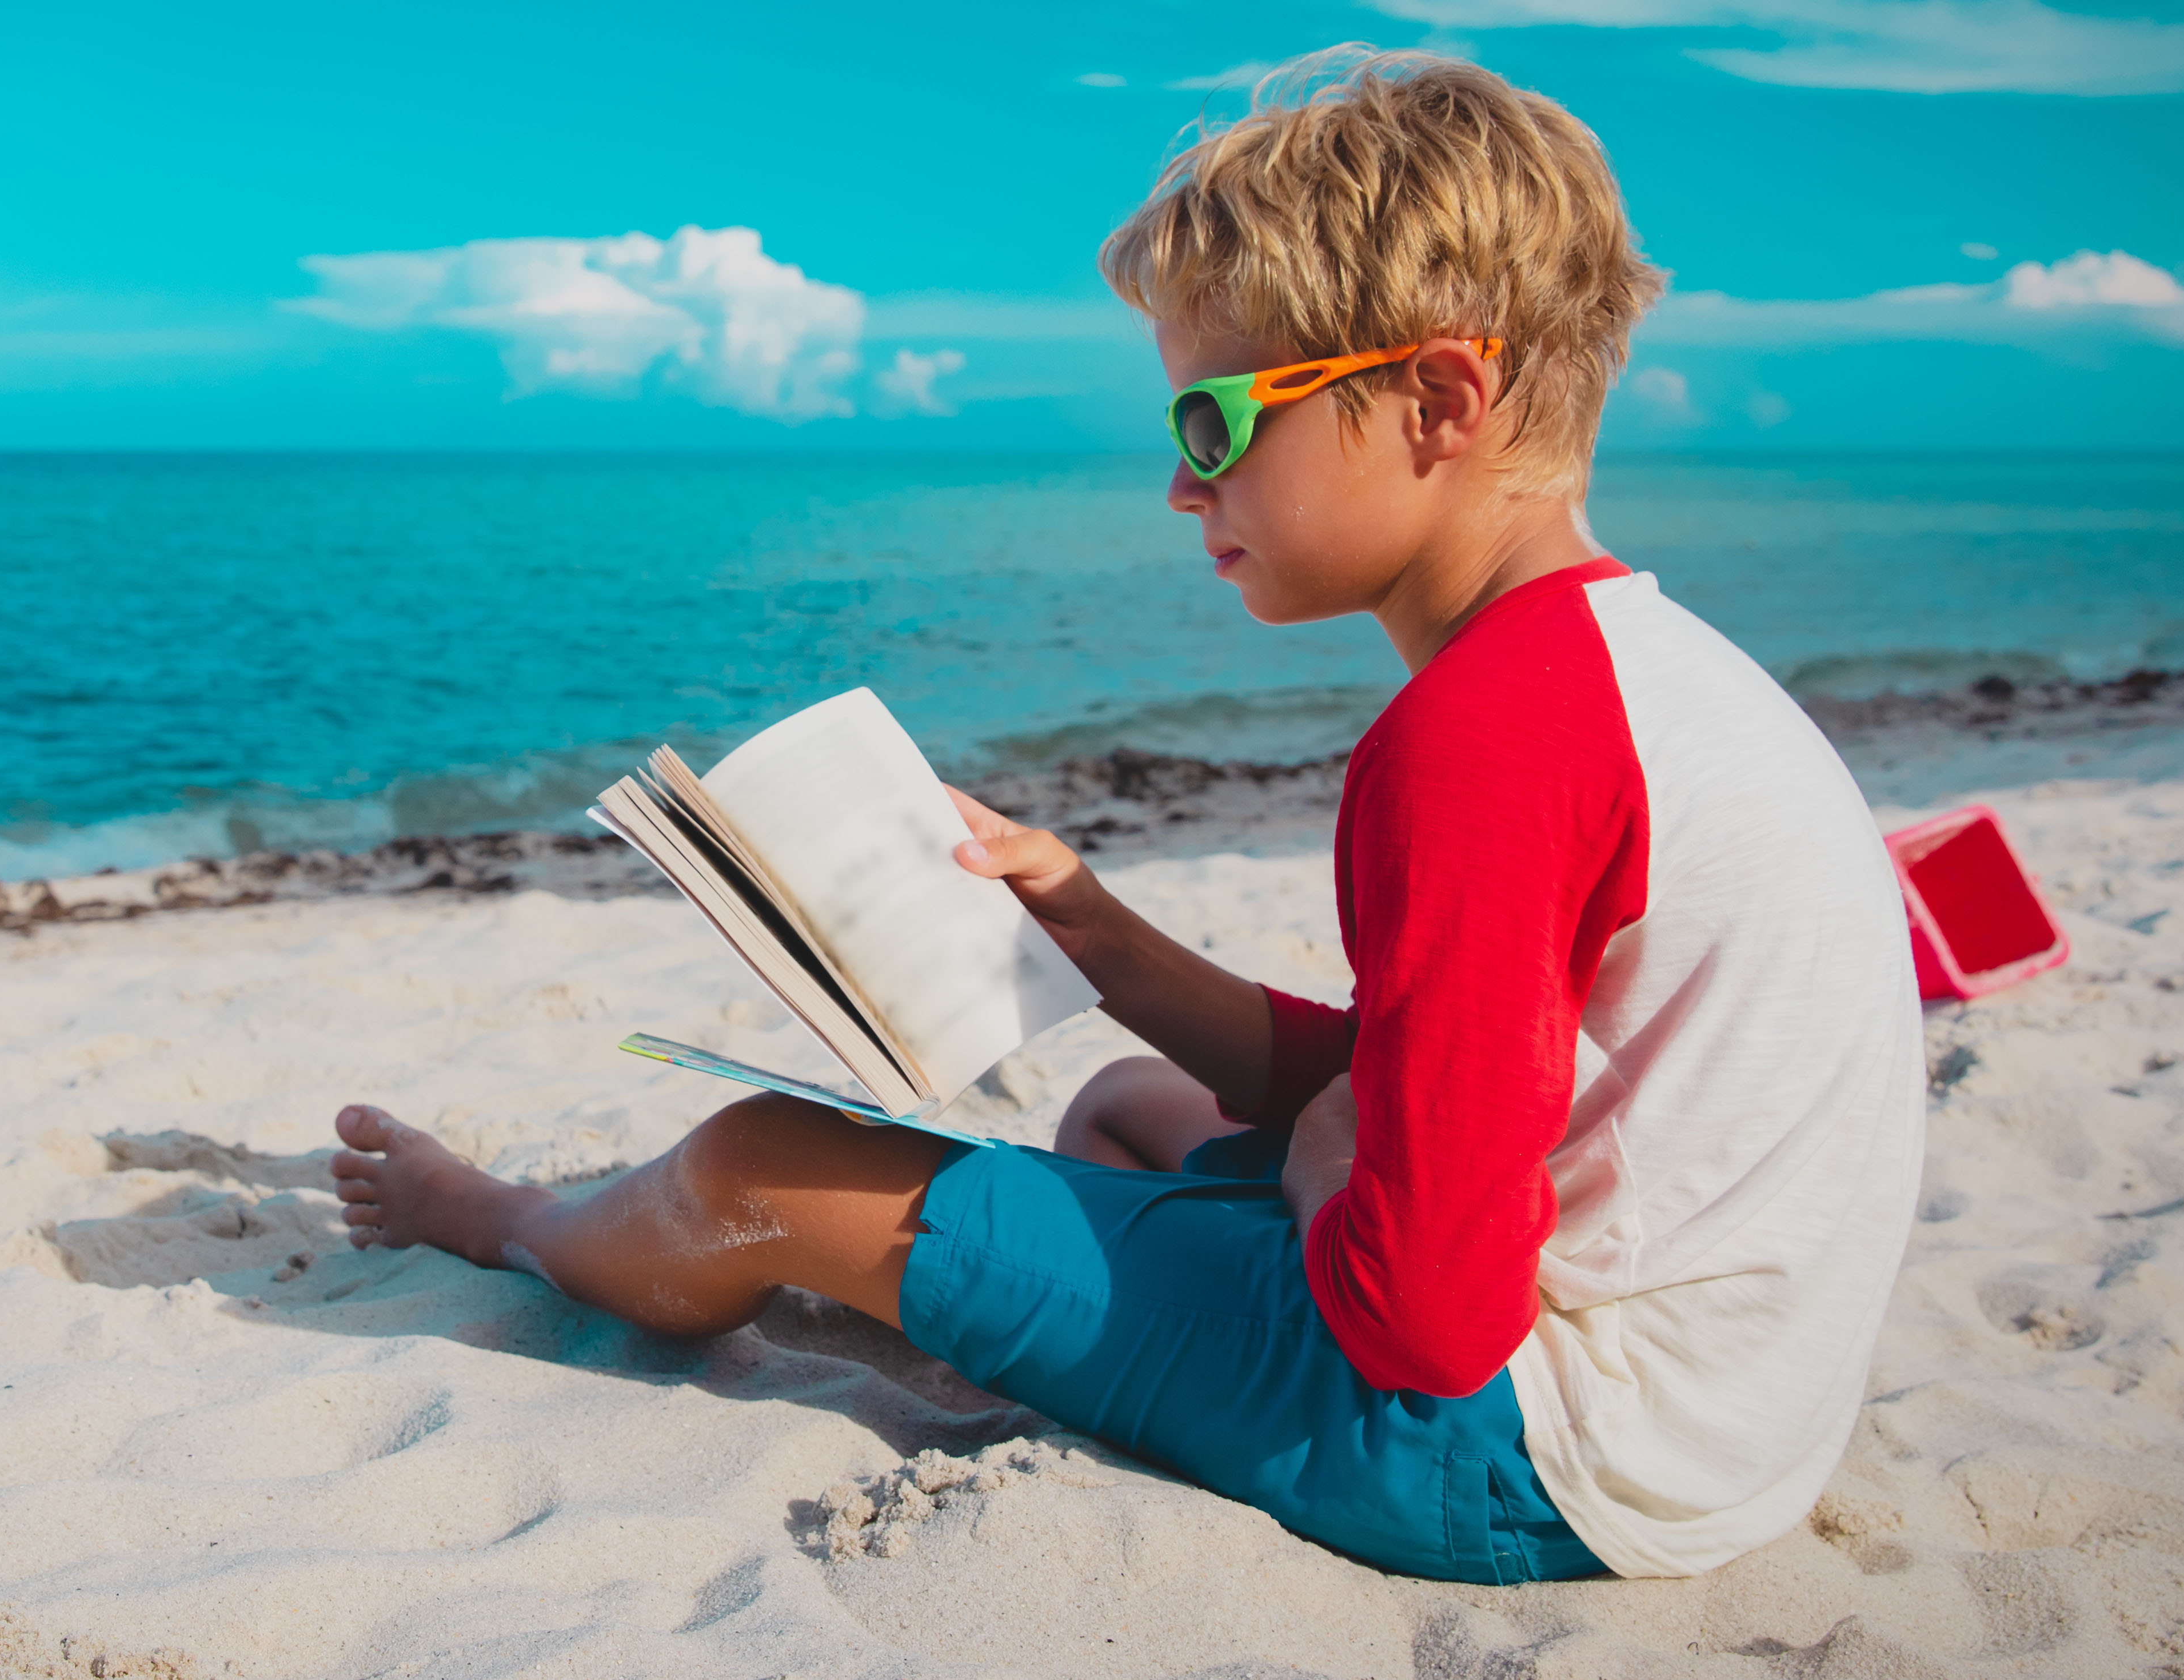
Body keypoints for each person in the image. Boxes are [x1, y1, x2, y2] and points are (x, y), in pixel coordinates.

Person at [327, 46, 1924, 1582]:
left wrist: (1316, 1144)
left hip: (1519, 1450)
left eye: (1215, 421)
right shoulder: (1637, 670)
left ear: (1440, 399)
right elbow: (1436, 1080)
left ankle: (511, 1221)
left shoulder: (1476, 737)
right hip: (1723, 1426)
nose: (1181, 485)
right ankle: (1007, 1273)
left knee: (755, 1154)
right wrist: (1089, 922)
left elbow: (1423, 1321)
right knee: (1119, 1102)